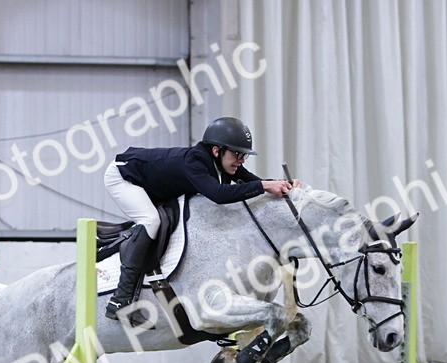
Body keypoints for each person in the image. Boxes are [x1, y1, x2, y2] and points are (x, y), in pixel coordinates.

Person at [103, 116, 300, 326]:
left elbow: (253, 181)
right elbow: (220, 195)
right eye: (237, 154)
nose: (241, 160)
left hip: (151, 182)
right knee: (150, 220)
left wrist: (284, 184)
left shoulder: (224, 162)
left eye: (244, 155)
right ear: (217, 150)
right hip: (123, 176)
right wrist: (264, 186)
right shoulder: (194, 162)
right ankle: (120, 299)